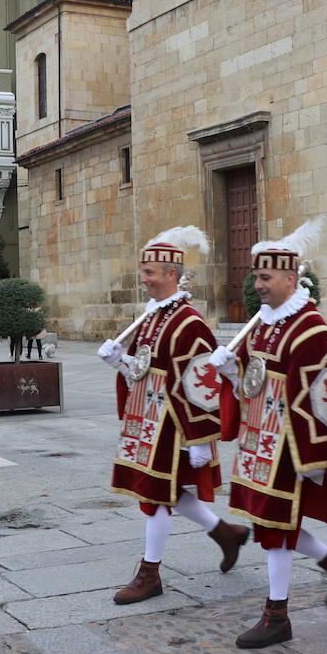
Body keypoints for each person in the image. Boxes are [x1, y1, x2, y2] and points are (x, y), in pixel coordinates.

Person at [210, 217, 327, 649]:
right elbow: (253, 379)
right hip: (261, 439)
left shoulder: (310, 329)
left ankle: (277, 614)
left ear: (292, 278)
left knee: (274, 524)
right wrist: (231, 370)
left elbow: (321, 395)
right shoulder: (263, 322)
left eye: (265, 276)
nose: (257, 284)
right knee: (268, 521)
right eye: (255, 276)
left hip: (289, 445)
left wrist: (310, 458)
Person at [96, 226, 250, 604]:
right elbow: (146, 369)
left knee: (155, 495)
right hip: (147, 419)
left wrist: (201, 439)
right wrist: (121, 362)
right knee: (167, 492)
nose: (143, 279)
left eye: (150, 272)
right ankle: (225, 533)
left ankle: (150, 573)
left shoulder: (190, 322)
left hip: (173, 425)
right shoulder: (151, 317)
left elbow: (202, 383)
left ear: (171, 274)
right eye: (143, 271)